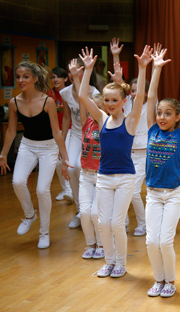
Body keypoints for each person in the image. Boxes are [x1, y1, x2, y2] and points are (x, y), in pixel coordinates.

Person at [78, 46, 152, 278]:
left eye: (114, 100)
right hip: (103, 176)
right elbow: (82, 96)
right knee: (103, 222)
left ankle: (121, 263)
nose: (110, 103)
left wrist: (142, 68)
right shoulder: (101, 118)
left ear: (122, 101)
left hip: (125, 177)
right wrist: (87, 70)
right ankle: (109, 262)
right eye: (107, 100)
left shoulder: (130, 121)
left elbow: (140, 97)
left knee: (117, 222)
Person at [144, 49, 180, 298]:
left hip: (174, 193)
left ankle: (171, 281)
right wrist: (156, 68)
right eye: (160, 113)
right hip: (153, 193)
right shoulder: (151, 130)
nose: (162, 117)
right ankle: (159, 280)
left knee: (165, 242)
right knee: (150, 241)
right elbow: (151, 95)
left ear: (177, 118)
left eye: (168, 113)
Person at [0, 61, 70, 248]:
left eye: (25, 76)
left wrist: (64, 157)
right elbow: (11, 131)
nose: (21, 80)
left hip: (49, 148)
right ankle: (30, 215)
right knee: (17, 182)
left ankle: (44, 233)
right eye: (18, 77)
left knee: (41, 190)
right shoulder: (14, 102)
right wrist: (3, 154)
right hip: (27, 146)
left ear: (35, 79)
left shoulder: (47, 101)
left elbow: (56, 132)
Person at [69, 58, 106, 259]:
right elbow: (82, 99)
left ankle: (101, 244)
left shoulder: (105, 123)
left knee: (94, 213)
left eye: (97, 108)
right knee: (84, 212)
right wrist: (77, 77)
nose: (94, 111)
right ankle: (90, 244)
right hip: (85, 174)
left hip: (101, 174)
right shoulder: (86, 123)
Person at [110, 37, 147, 236]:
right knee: (122, 191)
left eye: (137, 90)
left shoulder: (151, 104)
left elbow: (141, 90)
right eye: (131, 91)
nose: (134, 93)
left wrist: (145, 67)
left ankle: (143, 224)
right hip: (127, 154)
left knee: (133, 192)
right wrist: (116, 55)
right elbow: (119, 83)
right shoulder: (128, 104)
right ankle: (123, 223)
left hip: (144, 154)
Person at [60, 58, 100, 229]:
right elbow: (67, 117)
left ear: (84, 72)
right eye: (69, 71)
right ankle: (79, 209)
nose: (72, 74)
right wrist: (62, 142)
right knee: (69, 167)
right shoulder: (65, 93)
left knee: (78, 166)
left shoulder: (94, 92)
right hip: (75, 133)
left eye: (76, 70)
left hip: (89, 133)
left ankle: (89, 206)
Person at [49, 67, 73, 203]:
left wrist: (63, 136)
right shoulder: (49, 94)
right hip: (53, 131)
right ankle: (66, 189)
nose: (55, 79)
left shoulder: (68, 93)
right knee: (57, 163)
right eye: (53, 77)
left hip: (68, 130)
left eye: (58, 77)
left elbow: (67, 117)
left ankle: (69, 190)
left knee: (63, 160)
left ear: (65, 79)